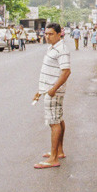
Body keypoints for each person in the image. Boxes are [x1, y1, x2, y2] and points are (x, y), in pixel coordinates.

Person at [32, 23, 70, 169]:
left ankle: (54, 158)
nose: (47, 36)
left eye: (51, 34)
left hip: (53, 91)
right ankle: (58, 151)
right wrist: (40, 90)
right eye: (46, 34)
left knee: (54, 122)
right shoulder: (52, 47)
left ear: (59, 34)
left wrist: (53, 89)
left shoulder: (61, 49)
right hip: (49, 90)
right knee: (58, 119)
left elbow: (66, 71)